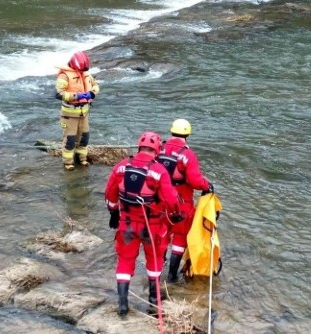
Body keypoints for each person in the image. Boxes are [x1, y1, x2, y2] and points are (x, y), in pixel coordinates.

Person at [104, 131, 184, 317]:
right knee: (154, 262)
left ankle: (123, 306)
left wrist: (113, 212)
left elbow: (109, 194)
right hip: (152, 227)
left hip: (127, 225)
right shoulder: (158, 171)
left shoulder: (122, 166)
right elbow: (171, 199)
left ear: (139, 147)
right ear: (157, 150)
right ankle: (154, 302)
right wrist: (177, 215)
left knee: (124, 262)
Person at [157, 118, 213, 283]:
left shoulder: (159, 148)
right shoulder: (187, 154)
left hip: (161, 200)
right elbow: (195, 181)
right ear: (188, 134)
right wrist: (207, 185)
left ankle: (156, 269)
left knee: (162, 234)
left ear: (171, 130)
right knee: (180, 237)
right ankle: (172, 276)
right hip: (182, 201)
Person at [55, 51, 100, 171]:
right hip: (69, 115)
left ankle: (82, 159)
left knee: (84, 138)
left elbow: (96, 85)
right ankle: (68, 162)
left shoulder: (86, 74)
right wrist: (77, 96)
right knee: (70, 140)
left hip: (84, 114)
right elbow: (59, 94)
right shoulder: (64, 75)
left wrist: (92, 93)